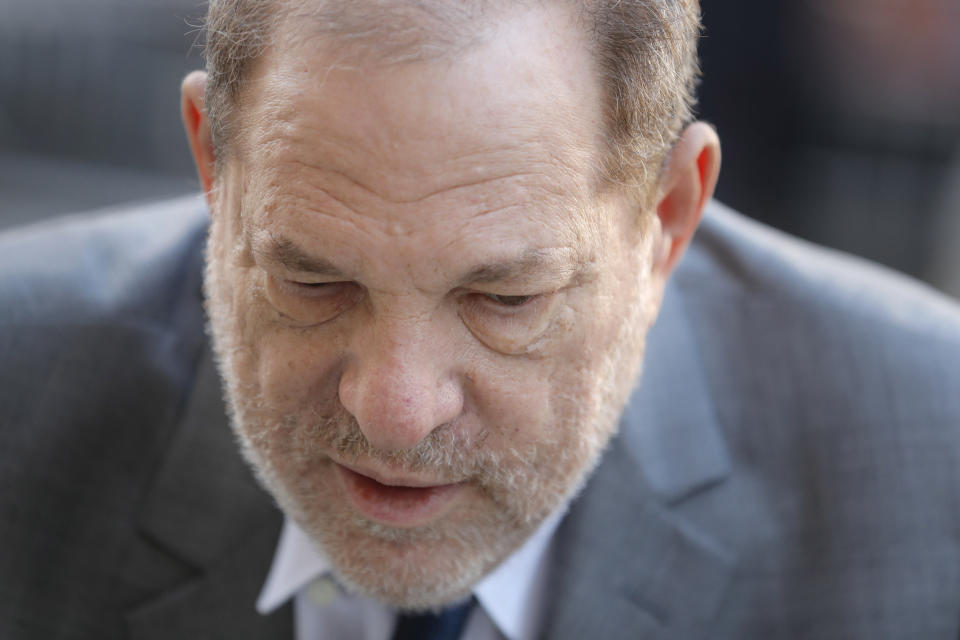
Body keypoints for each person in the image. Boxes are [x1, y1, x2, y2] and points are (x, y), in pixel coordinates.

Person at [2, 1, 959, 638]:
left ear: (665, 220)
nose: (395, 412)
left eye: (503, 301)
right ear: (215, 167)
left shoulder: (928, 476)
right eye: (312, 281)